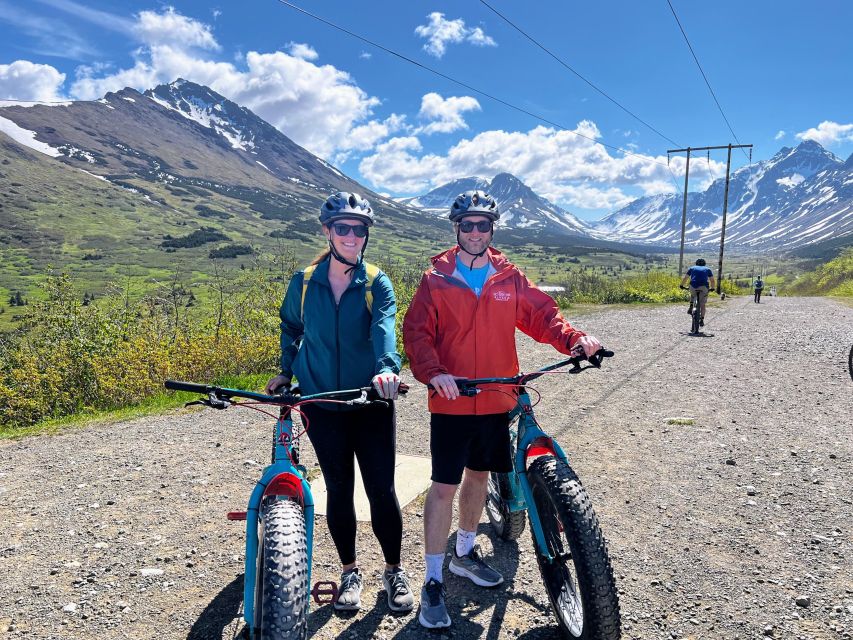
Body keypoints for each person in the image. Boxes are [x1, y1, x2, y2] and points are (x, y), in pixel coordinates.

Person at [402, 190, 604, 629]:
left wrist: (574, 339)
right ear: (456, 229)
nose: (476, 232)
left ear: (492, 229)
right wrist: (433, 372)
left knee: (478, 476)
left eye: (483, 225)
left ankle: (464, 552)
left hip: (498, 396)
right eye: (467, 225)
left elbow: (542, 316)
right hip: (453, 400)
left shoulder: (508, 276)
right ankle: (432, 580)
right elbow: (417, 334)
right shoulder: (435, 279)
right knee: (443, 487)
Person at [264, 191, 414, 614]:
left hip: (369, 400)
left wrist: (387, 369)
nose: (351, 236)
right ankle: (350, 572)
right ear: (328, 232)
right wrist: (285, 371)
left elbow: (385, 327)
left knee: (382, 490)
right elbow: (292, 327)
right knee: (338, 490)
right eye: (342, 228)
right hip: (319, 402)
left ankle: (393, 570)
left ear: (366, 234)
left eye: (359, 229)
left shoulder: (376, 281)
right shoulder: (305, 280)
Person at [680, 258, 716, 327]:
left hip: (693, 286)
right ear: (704, 264)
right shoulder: (708, 269)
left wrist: (681, 285)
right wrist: (712, 288)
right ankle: (702, 319)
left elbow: (686, 278)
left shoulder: (692, 268)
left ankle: (691, 305)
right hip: (704, 287)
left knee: (692, 294)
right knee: (702, 305)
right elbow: (712, 281)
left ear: (696, 263)